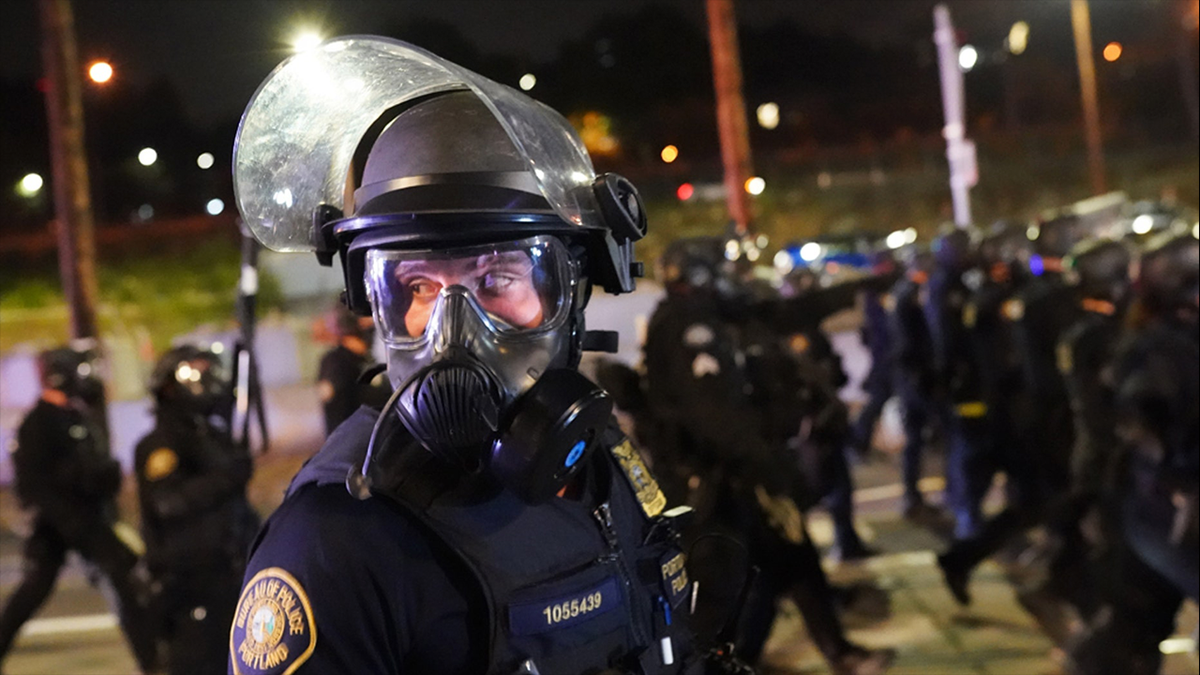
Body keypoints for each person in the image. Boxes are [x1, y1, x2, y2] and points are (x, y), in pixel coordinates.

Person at [227, 37, 714, 674]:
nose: (452, 330)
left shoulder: (596, 458)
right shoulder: (336, 543)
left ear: (574, 288)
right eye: (419, 287)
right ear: (373, 301)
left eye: (496, 280)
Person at [635, 236, 894, 675]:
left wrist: (856, 289)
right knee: (727, 586)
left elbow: (784, 314)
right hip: (712, 484)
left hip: (737, 474)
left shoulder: (705, 316)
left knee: (791, 558)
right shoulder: (687, 329)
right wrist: (774, 470)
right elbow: (717, 419)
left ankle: (834, 652)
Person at [1066, 232, 1198, 675]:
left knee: (1131, 632)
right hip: (1169, 510)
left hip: (1154, 508)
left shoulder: (1167, 337)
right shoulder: (1163, 346)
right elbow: (1142, 415)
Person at [0, 346, 158, 673]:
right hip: (58, 523)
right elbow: (34, 484)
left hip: (87, 518)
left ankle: (152, 659)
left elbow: (97, 469)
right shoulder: (38, 424)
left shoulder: (77, 416)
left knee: (124, 581)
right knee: (33, 589)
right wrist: (67, 519)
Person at [135, 345, 259, 675]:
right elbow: (169, 502)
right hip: (191, 583)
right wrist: (225, 479)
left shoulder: (213, 436)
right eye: (193, 374)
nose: (205, 384)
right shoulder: (160, 445)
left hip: (231, 574)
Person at [316, 304, 390, 436]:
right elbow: (333, 405)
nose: (372, 327)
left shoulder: (367, 359)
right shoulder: (336, 361)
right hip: (355, 445)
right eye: (366, 323)